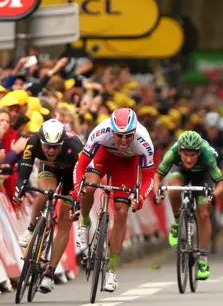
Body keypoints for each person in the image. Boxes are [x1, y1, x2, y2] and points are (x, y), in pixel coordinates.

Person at [73, 108, 155, 293]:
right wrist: (78, 186)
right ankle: (84, 224)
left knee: (121, 211)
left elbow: (149, 178)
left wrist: (140, 197)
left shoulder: (144, 141)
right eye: (119, 136)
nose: (124, 140)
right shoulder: (100, 132)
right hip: (104, 157)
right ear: (112, 131)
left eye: (128, 136)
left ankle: (111, 270)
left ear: (134, 132)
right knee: (90, 187)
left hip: (127, 166)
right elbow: (81, 164)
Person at [13, 119, 84, 293]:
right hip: (49, 171)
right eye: (47, 147)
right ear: (41, 141)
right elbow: (25, 168)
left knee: (65, 224)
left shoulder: (75, 146)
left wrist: (77, 203)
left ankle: (49, 273)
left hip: (72, 176)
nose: (51, 151)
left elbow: (82, 179)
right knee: (44, 193)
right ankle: (31, 229)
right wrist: (20, 187)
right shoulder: (33, 142)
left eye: (55, 147)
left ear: (62, 143)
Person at [154, 131, 223, 280]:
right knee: (173, 191)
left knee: (204, 214)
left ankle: (203, 260)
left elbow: (222, 184)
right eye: (185, 154)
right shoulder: (171, 153)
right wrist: (158, 193)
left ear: (199, 152)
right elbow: (157, 176)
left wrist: (212, 196)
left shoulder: (208, 156)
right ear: (180, 151)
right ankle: (176, 224)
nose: (188, 159)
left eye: (193, 155)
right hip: (180, 173)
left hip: (203, 177)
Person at [201, 111, 223, 227]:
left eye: (214, 128)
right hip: (203, 165)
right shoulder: (200, 136)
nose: (212, 131)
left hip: (219, 166)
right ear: (205, 127)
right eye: (210, 128)